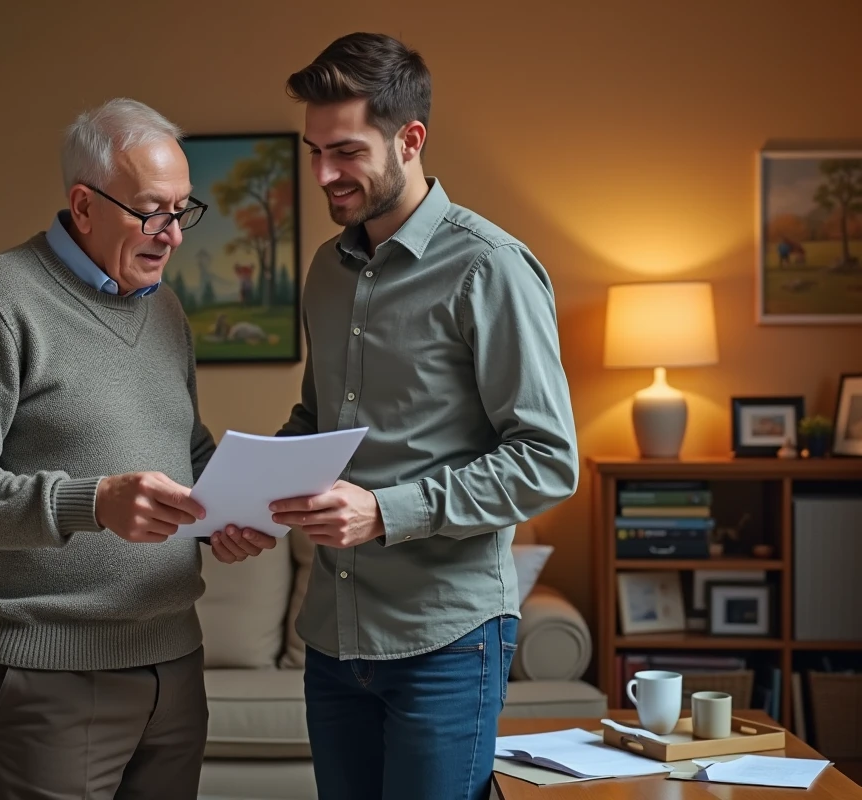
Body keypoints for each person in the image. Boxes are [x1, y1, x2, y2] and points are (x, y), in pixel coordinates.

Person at [0, 97, 274, 800]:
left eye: (183, 211)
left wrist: (226, 507)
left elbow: (183, 443)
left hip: (174, 668)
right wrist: (92, 501)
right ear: (83, 204)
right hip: (48, 681)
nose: (172, 234)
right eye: (152, 211)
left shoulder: (165, 308)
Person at [266, 32, 580, 800]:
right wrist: (251, 503)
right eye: (313, 152)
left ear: (410, 140)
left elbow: (547, 457)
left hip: (447, 642)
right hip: (333, 642)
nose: (324, 175)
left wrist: (385, 511)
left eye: (344, 151)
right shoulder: (326, 273)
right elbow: (316, 420)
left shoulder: (491, 267)